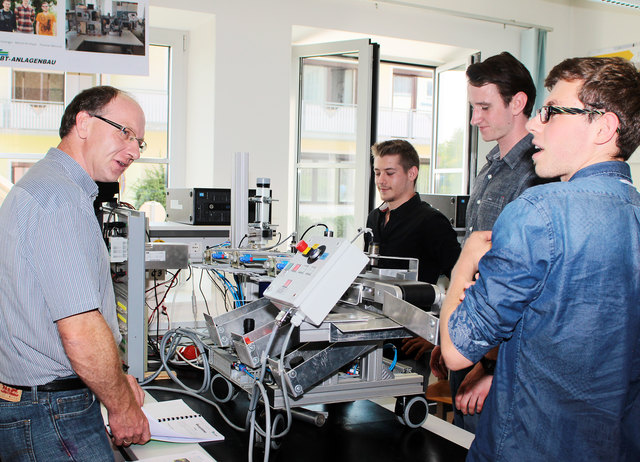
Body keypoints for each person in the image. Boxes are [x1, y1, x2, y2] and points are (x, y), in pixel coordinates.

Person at [440, 56, 640, 461]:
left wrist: (466, 262)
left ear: (603, 127)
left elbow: (456, 350)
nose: (534, 124)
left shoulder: (539, 210)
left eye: (551, 112)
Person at [0, 86, 151, 461]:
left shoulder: (45, 187)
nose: (133, 150)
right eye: (124, 132)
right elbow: (80, 330)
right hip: (51, 411)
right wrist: (122, 406)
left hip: (33, 403)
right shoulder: (60, 199)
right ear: (83, 123)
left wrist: (115, 382)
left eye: (140, 143)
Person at [430, 51, 543, 433]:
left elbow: (526, 289)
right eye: (472, 107)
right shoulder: (493, 164)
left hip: (499, 359)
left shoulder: (538, 174)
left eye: (484, 107)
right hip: (471, 342)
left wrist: (490, 364)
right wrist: (453, 340)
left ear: (518, 103)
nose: (475, 118)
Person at [365, 139, 461, 365]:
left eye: (389, 173)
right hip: (375, 333)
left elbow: (463, 281)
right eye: (377, 172)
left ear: (412, 173)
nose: (381, 180)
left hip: (412, 342)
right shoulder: (375, 217)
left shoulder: (431, 221)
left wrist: (438, 335)